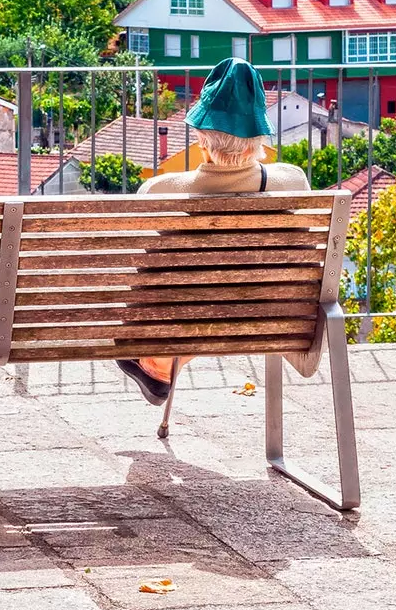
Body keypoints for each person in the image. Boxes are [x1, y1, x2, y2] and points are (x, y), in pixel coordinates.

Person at [116, 58, 310, 405]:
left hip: (188, 318)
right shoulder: (293, 181)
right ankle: (158, 367)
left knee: (170, 283)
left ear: (202, 141)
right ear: (258, 139)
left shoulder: (161, 190)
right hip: (274, 322)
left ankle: (157, 365)